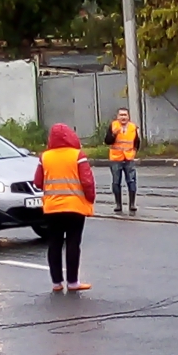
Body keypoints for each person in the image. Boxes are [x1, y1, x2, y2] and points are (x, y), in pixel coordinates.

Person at [34, 124, 95, 293]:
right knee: (73, 243)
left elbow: (38, 182)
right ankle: (73, 282)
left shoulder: (45, 157)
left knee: (54, 243)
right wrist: (90, 198)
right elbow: (87, 181)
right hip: (75, 207)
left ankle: (56, 283)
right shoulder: (77, 155)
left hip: (52, 207)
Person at [104, 108, 140, 214]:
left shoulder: (133, 127)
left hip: (129, 158)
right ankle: (118, 205)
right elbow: (107, 141)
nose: (123, 117)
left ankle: (132, 204)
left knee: (131, 181)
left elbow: (137, 142)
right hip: (116, 158)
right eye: (121, 115)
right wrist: (113, 134)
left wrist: (134, 152)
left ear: (128, 117)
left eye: (125, 115)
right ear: (117, 117)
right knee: (116, 182)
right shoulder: (113, 126)